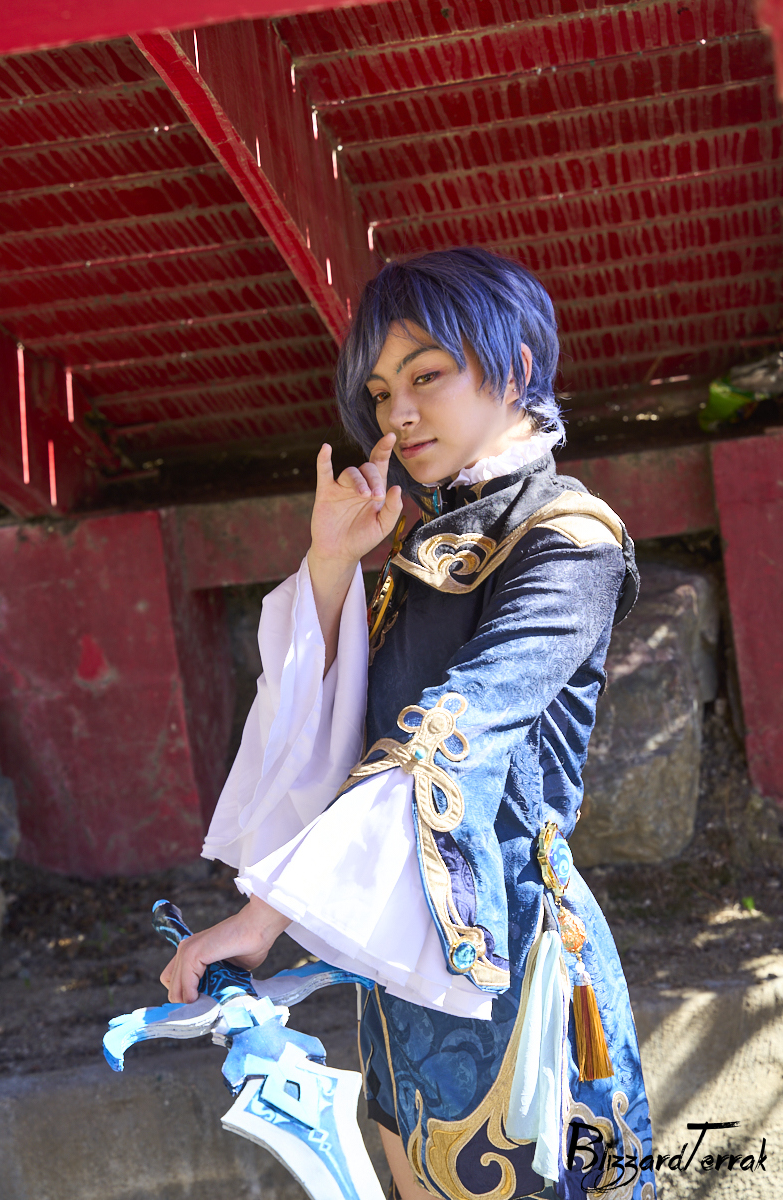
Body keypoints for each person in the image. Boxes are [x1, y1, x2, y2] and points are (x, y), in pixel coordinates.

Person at [160, 248, 655, 1200]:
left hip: (507, 951)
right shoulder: (428, 542)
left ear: (515, 366)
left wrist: (266, 918)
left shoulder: (571, 540)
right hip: (395, 957)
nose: (398, 414)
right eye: (384, 392)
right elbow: (331, 742)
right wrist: (331, 562)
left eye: (427, 376)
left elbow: (446, 738)